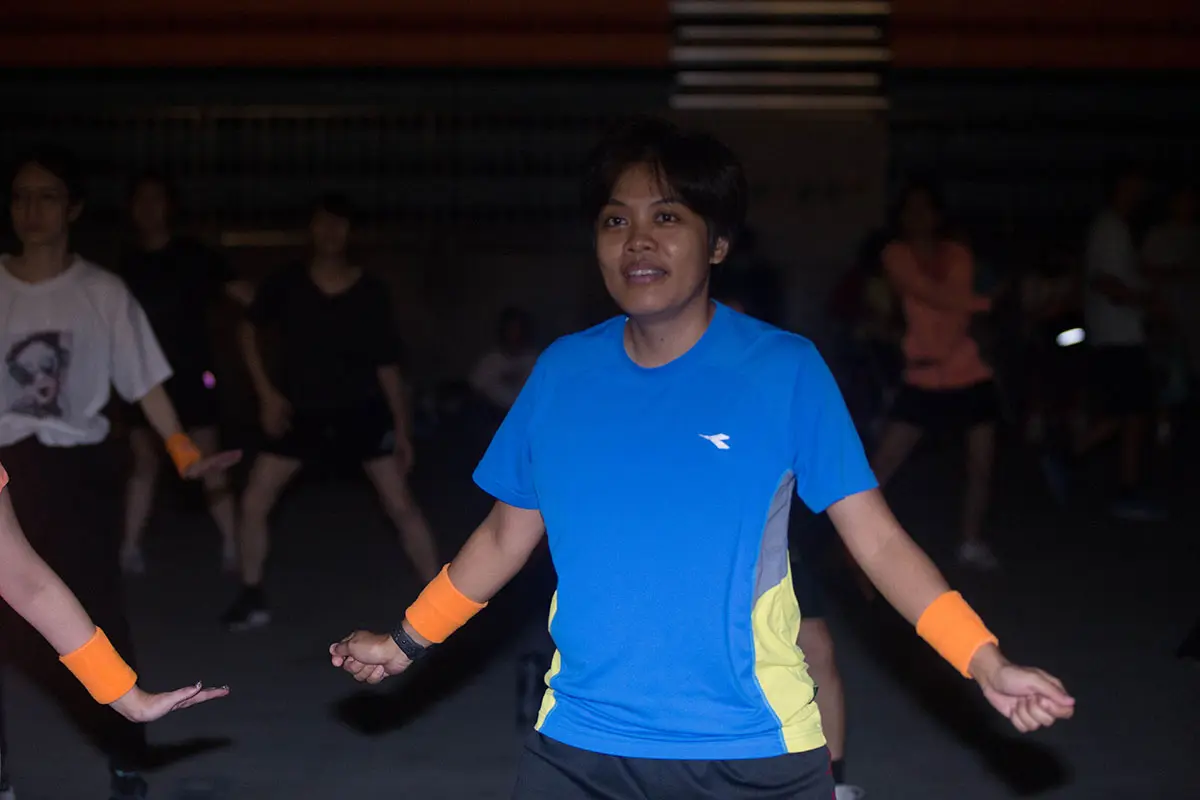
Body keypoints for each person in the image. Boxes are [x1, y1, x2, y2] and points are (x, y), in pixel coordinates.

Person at [329, 119, 1074, 800]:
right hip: (580, 744)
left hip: (750, 750)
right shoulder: (562, 373)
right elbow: (502, 537)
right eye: (615, 220)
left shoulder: (783, 370)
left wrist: (984, 659)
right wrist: (405, 641)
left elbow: (877, 541)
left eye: (667, 218)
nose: (637, 241)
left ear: (717, 243)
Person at [0, 146, 239, 800]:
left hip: (74, 470)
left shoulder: (100, 291)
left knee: (93, 610)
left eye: (47, 196)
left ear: (74, 208)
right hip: (4, 459)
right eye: (20, 196)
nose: (32, 210)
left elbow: (145, 383)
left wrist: (184, 454)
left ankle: (126, 754)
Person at [221, 193, 440, 631]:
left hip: (361, 410)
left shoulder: (371, 290)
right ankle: (251, 594)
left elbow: (387, 365)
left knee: (400, 503)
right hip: (300, 411)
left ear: (350, 233)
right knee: (254, 499)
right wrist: (266, 394)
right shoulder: (286, 282)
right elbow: (247, 329)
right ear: (311, 229)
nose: (330, 232)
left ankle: (442, 601)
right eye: (323, 223)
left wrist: (402, 429)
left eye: (339, 225)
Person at [0, 462, 228, 799]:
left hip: (82, 469)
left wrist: (125, 694)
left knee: (98, 587)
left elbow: (24, 581)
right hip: (41, 460)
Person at [119, 172, 253, 575]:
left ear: (170, 207)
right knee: (145, 462)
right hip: (142, 379)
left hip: (192, 375)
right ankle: (129, 547)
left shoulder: (193, 255)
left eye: (156, 199)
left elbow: (243, 293)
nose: (148, 207)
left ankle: (233, 543)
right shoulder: (126, 265)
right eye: (141, 199)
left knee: (209, 460)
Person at [869, 184, 1002, 570]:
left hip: (968, 369)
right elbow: (928, 294)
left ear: (937, 214)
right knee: (882, 464)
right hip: (923, 375)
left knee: (981, 462)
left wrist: (975, 307)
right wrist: (988, 304)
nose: (918, 216)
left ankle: (970, 540)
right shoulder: (895, 254)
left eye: (925, 208)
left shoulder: (957, 253)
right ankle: (854, 543)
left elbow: (955, 304)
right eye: (910, 209)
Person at [1073, 164, 1166, 519]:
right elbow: (1104, 281)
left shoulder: (1117, 227)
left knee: (1130, 411)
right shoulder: (1109, 228)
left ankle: (1123, 484)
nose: (1140, 191)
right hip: (1117, 333)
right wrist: (1145, 303)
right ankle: (1071, 455)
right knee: (1128, 410)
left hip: (1121, 332)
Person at [469, 307, 540, 415]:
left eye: (518, 328)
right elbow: (474, 390)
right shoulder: (490, 361)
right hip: (492, 415)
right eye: (511, 328)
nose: (515, 333)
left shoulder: (535, 361)